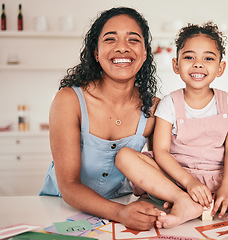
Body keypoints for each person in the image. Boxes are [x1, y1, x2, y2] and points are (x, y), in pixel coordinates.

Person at [115, 22, 228, 228]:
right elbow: (160, 151)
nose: (198, 64)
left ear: (220, 68)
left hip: (219, 177)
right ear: (176, 65)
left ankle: (203, 204)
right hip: (177, 180)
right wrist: (189, 183)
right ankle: (183, 199)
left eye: (208, 58)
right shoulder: (170, 103)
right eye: (189, 57)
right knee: (124, 156)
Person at [39, 7, 164, 230]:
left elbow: (157, 176)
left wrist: (144, 204)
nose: (122, 48)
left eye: (133, 40)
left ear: (145, 53)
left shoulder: (154, 108)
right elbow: (68, 185)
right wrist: (121, 213)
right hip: (60, 210)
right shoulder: (69, 100)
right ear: (96, 52)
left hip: (121, 209)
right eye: (110, 39)